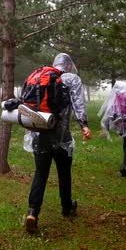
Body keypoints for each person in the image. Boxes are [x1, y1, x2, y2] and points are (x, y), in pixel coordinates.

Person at [23, 53, 92, 233]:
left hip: (39, 134)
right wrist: (84, 125)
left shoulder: (41, 76)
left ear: (55, 64)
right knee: (64, 173)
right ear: (69, 66)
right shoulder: (72, 79)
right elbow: (78, 104)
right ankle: (67, 207)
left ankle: (33, 212)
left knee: (40, 174)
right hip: (62, 137)